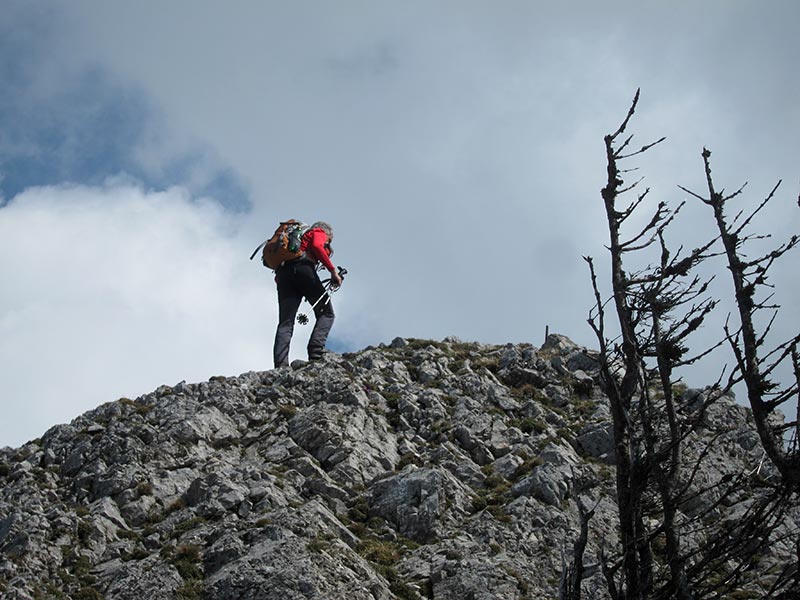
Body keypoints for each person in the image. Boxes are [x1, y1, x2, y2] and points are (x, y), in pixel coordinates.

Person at [273, 221, 343, 367]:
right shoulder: (318, 232)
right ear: (327, 233)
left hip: (283, 276)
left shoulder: (293, 246)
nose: (327, 245)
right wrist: (333, 271)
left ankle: (281, 365)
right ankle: (316, 352)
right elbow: (317, 246)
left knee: (285, 322)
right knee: (327, 313)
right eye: (329, 241)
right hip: (304, 268)